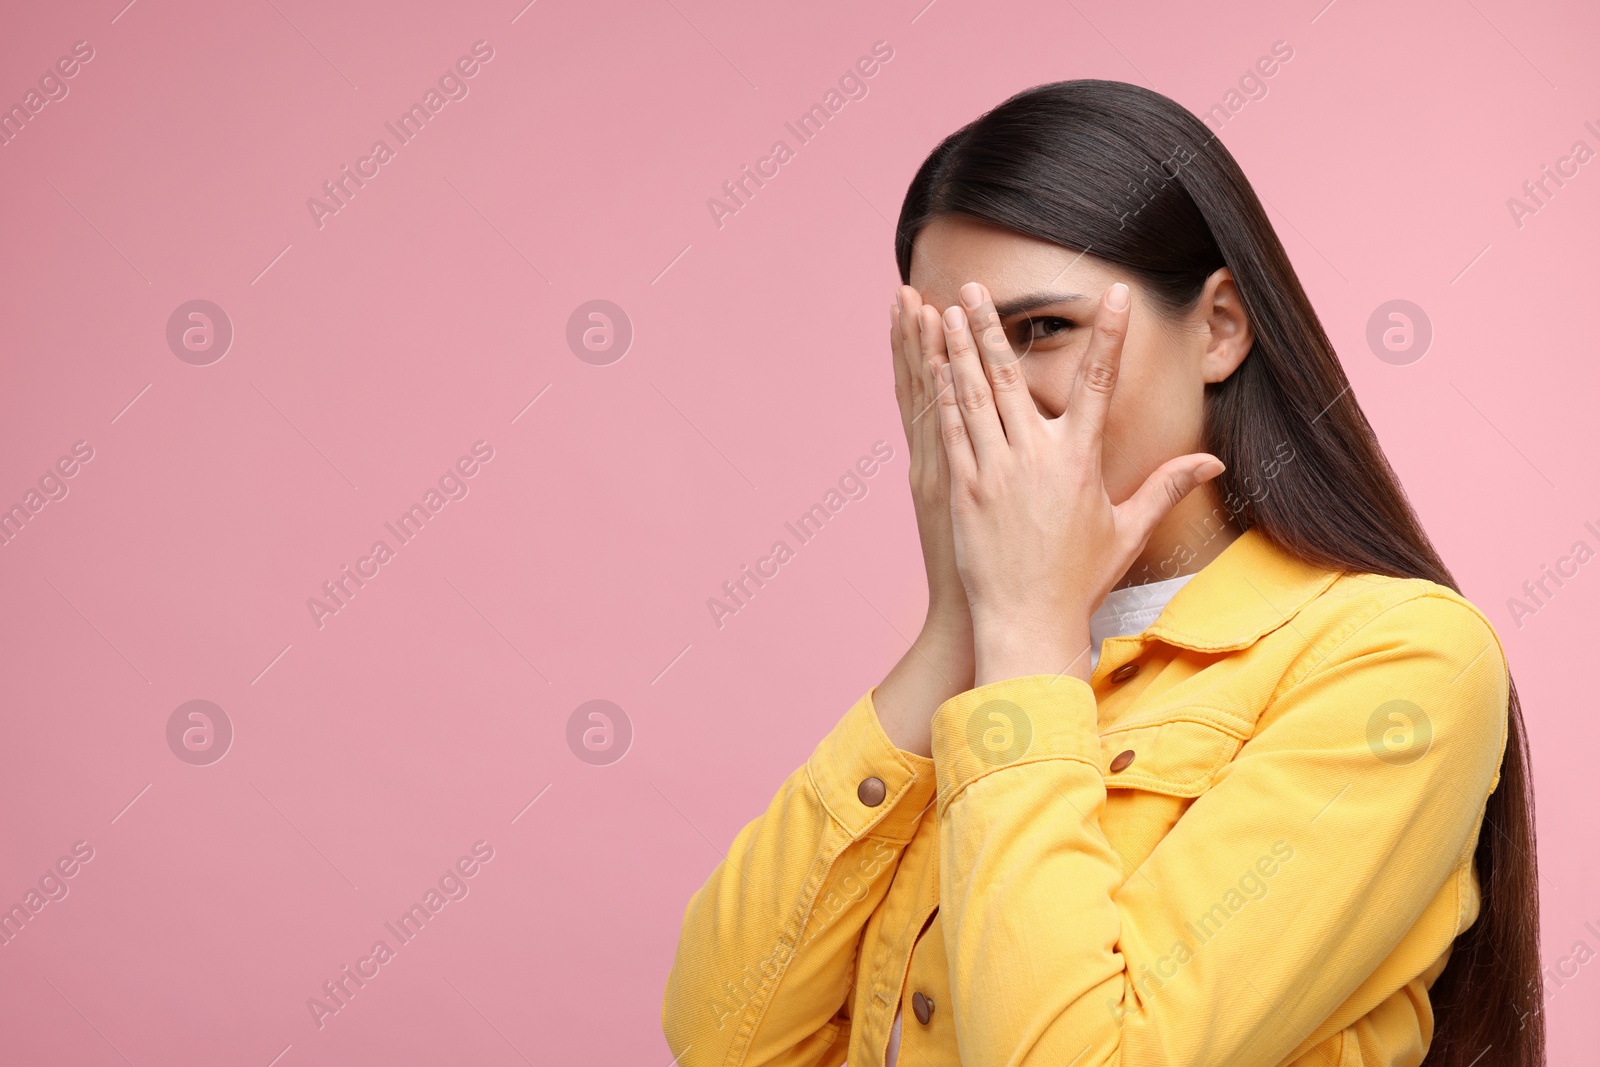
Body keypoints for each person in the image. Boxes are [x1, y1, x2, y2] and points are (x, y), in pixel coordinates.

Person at [661, 79, 1543, 1067]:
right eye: (954, 352)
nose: (999, 395)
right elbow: (723, 1033)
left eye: (1043, 329)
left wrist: (1025, 640)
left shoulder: (1398, 658)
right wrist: (960, 617)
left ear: (1217, 327)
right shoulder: (989, 656)